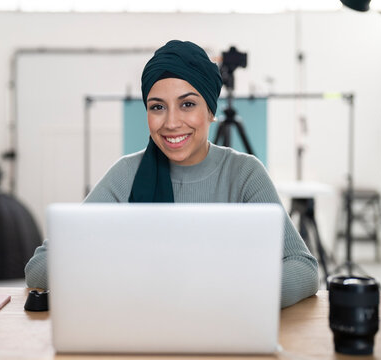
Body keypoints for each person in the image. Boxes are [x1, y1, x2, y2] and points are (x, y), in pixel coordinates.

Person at [25, 40, 319, 308]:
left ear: (211, 111)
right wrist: (117, 271)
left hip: (224, 326)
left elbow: (302, 267)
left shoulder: (244, 174)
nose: (171, 122)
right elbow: (39, 266)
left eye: (187, 104)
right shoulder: (127, 175)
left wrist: (235, 293)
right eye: (157, 107)